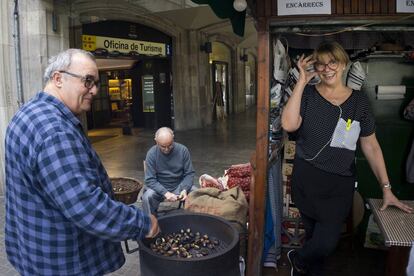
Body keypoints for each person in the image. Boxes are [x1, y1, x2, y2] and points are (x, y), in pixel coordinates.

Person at [5, 49, 159, 276]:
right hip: (64, 262)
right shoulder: (55, 131)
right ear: (58, 78)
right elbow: (86, 206)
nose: (95, 90)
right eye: (87, 81)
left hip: (33, 252)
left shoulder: (27, 113)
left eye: (96, 82)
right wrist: (142, 223)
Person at [281, 41, 413, 276]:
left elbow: (371, 145)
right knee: (314, 240)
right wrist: (301, 82)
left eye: (332, 62)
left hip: (338, 184)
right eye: (321, 64)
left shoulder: (359, 102)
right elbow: (289, 124)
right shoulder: (308, 95)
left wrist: (386, 188)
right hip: (306, 179)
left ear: (343, 64)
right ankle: (307, 270)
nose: (327, 68)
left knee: (326, 242)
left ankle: (297, 257)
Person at [142, 127, 195, 216]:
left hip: (179, 185)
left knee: (196, 194)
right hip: (159, 187)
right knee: (147, 197)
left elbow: (189, 173)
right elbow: (150, 180)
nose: (167, 149)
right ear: (156, 141)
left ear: (173, 138)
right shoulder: (151, 154)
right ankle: (151, 223)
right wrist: (165, 193)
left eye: (170, 145)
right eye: (163, 146)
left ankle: (192, 222)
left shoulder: (183, 150)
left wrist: (185, 189)